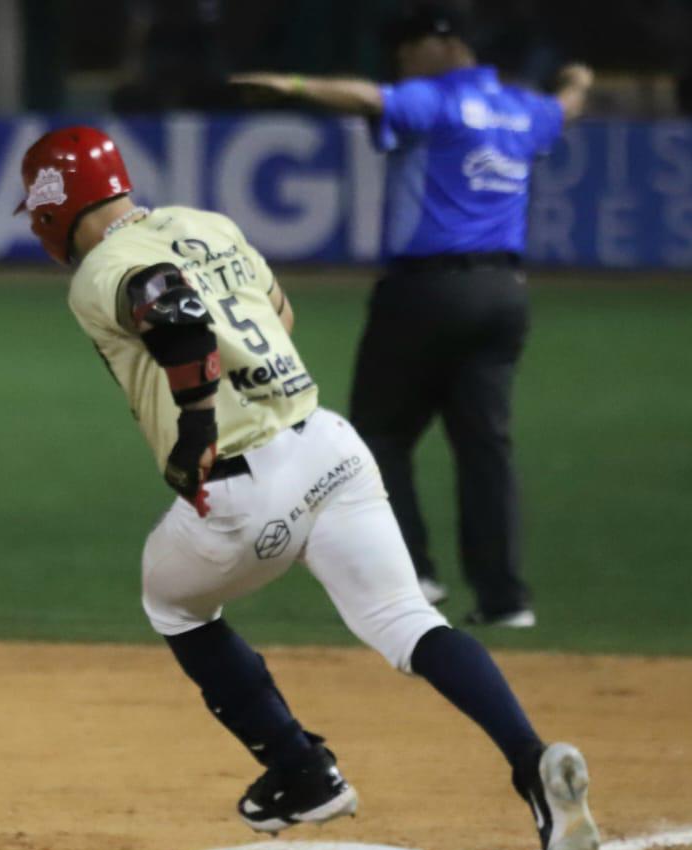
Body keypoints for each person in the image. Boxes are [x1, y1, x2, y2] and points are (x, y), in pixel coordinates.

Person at [16, 125, 599, 850]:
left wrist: (194, 416)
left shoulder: (102, 269)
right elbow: (276, 316)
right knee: (407, 620)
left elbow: (170, 305)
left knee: (172, 598)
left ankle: (299, 766)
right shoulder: (205, 222)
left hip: (244, 485)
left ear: (56, 202)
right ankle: (531, 764)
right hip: (329, 446)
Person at [232, 4, 594, 627]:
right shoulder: (523, 111)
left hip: (425, 291)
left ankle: (415, 574)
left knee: (380, 436)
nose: (400, 60)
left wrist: (294, 85)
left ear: (443, 42)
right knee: (486, 450)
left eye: (407, 46)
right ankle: (506, 600)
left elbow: (367, 99)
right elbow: (566, 107)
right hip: (504, 294)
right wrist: (581, 80)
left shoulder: (436, 101)